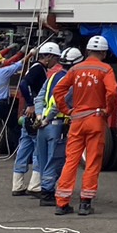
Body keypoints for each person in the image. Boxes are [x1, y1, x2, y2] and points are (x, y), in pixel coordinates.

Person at [51, 35, 117, 216]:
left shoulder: (75, 69)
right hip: (96, 119)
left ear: (87, 50)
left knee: (71, 161)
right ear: (104, 53)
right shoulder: (105, 69)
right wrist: (107, 110)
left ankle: (62, 202)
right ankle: (85, 203)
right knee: (92, 162)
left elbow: (58, 90)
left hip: (77, 120)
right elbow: (112, 92)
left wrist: (67, 110)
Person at [11, 41, 57, 195]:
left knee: (24, 149)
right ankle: (35, 185)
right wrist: (31, 104)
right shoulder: (38, 69)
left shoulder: (35, 67)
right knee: (38, 150)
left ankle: (17, 185)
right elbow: (24, 84)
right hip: (34, 112)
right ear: (49, 57)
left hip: (29, 114)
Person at [36, 46, 76, 206]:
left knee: (43, 159)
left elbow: (39, 97)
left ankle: (44, 189)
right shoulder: (71, 82)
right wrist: (48, 118)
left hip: (42, 125)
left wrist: (40, 116)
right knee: (56, 160)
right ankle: (47, 193)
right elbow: (61, 102)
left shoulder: (52, 77)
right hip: (56, 125)